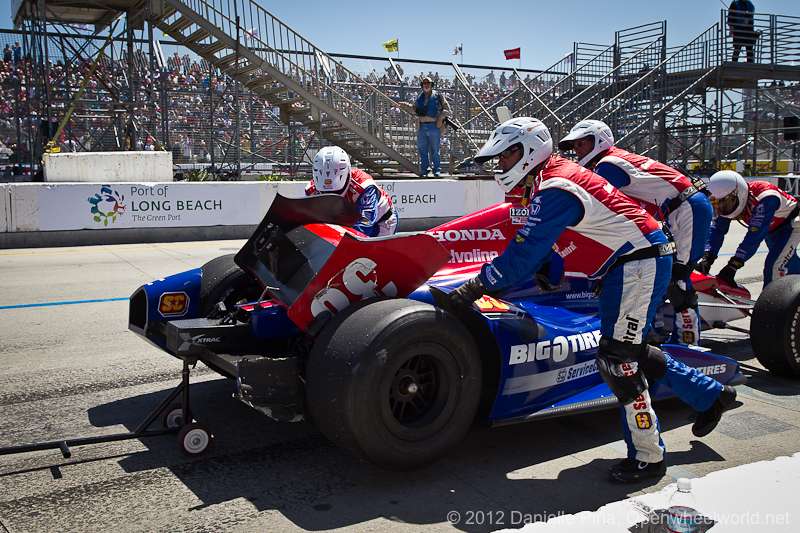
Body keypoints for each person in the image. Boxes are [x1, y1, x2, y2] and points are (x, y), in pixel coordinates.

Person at [443, 117, 736, 483]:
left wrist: (474, 288)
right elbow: (547, 244)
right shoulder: (550, 180)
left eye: (506, 156)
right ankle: (711, 395)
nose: (500, 165)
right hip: (627, 262)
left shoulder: (556, 186)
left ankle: (648, 455)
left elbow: (523, 254)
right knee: (631, 350)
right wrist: (545, 270)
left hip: (638, 262)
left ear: (529, 151)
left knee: (618, 361)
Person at [559, 120, 712, 345]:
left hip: (687, 207)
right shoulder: (611, 161)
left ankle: (688, 343)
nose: (577, 150)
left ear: (598, 141)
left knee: (677, 278)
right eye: (575, 146)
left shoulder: (608, 165)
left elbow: (600, 206)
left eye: (582, 143)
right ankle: (654, 331)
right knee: (660, 272)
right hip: (679, 209)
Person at [698, 170, 800, 288]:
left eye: (724, 204)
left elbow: (754, 236)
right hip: (772, 227)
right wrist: (707, 257)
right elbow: (717, 230)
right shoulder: (729, 200)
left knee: (774, 265)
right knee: (789, 262)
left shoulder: (765, 198)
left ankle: (769, 304)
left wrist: (734, 264)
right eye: (716, 205)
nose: (720, 209)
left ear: (737, 193)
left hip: (791, 225)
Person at [305, 146, 397, 237]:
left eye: (337, 191)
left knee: (368, 249)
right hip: (347, 219)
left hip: (381, 222)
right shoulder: (311, 190)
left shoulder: (365, 186)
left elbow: (366, 224)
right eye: (325, 193)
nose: (332, 197)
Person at [408, 76, 450, 177]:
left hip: (434, 126)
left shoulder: (438, 96)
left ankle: (437, 170)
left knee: (435, 150)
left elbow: (447, 109)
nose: (426, 85)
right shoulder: (419, 97)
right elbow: (414, 109)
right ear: (422, 85)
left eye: (428, 84)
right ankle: (425, 170)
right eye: (424, 84)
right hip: (422, 126)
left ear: (431, 85)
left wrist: (441, 116)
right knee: (423, 150)